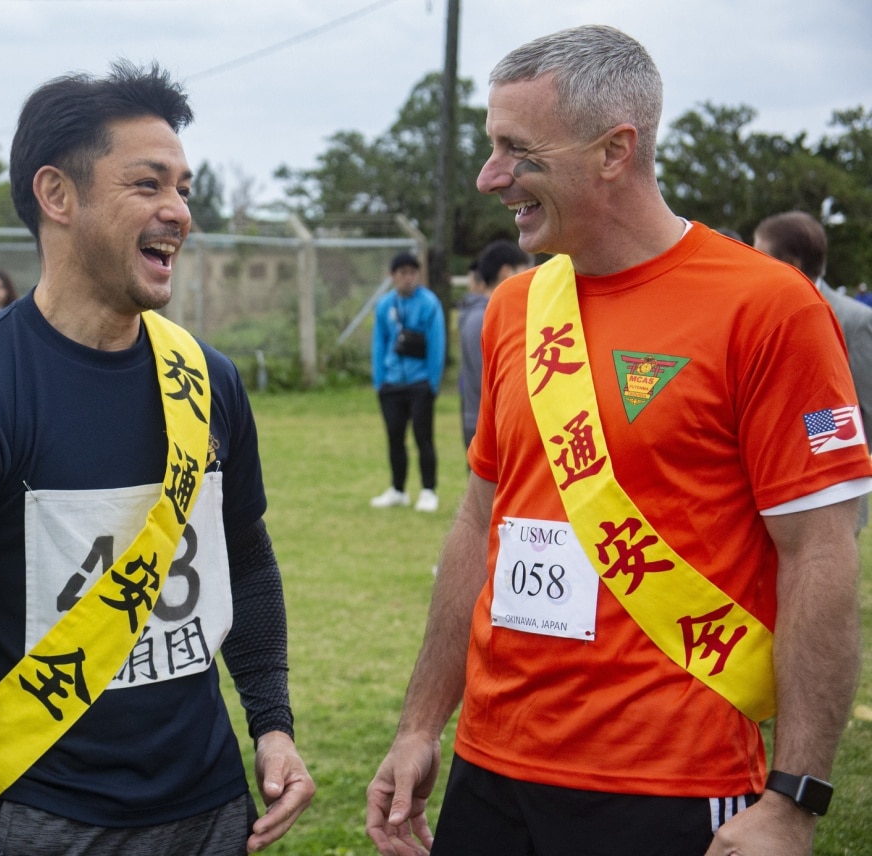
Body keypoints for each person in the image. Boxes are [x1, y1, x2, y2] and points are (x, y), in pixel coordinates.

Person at [366, 25, 872, 856]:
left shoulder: (768, 307)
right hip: (491, 766)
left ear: (614, 151)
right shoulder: (514, 310)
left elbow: (819, 550)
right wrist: (422, 723)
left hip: (669, 780)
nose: (492, 177)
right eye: (492, 148)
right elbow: (478, 520)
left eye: (515, 150)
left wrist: (795, 797)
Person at [0, 61, 314, 855]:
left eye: (183, 186)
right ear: (57, 195)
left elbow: (245, 561)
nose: (177, 211)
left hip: (215, 802)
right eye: (147, 184)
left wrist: (273, 724)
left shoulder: (209, 380)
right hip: (49, 817)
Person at [753, 210, 872, 534]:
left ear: (792, 262)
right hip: (768, 491)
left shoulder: (853, 320)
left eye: (760, 253)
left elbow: (863, 408)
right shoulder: (758, 310)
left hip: (830, 491)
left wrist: (801, 430)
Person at [369, 250, 445, 512]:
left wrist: (432, 382)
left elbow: (437, 344)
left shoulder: (429, 303)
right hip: (391, 384)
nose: (408, 278)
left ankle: (428, 491)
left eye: (413, 273)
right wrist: (380, 381)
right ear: (393, 276)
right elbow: (379, 344)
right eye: (402, 273)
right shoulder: (384, 305)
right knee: (394, 437)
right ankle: (398, 490)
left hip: (420, 383)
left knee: (423, 437)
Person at [458, 240, 530, 448]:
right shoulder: (484, 318)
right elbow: (490, 378)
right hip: (487, 424)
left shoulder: (485, 314)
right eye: (524, 271)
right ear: (506, 272)